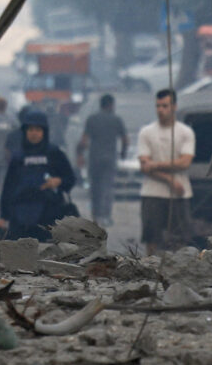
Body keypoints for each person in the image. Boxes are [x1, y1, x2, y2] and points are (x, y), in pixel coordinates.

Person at [0, 106, 78, 240]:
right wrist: (3, 217)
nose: (34, 133)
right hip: (20, 216)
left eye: (38, 130)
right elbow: (8, 188)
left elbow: (71, 179)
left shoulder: (54, 153)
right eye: (30, 129)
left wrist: (58, 181)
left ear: (44, 132)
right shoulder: (18, 157)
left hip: (48, 214)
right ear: (25, 131)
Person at [135, 87, 197, 251]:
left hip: (180, 194)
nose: (160, 110)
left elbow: (185, 162)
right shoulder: (146, 132)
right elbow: (144, 166)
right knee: (152, 238)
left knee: (181, 239)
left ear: (174, 106)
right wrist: (169, 179)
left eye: (165, 106)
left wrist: (155, 165)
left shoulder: (185, 132)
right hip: (152, 193)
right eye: (158, 106)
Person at [79, 92, 127, 223]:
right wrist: (123, 153)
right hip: (110, 158)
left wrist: (80, 155)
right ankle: (106, 215)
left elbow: (84, 140)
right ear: (111, 105)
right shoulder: (116, 120)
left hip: (94, 158)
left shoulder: (92, 119)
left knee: (95, 187)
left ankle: (96, 215)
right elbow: (125, 139)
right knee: (107, 186)